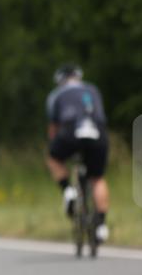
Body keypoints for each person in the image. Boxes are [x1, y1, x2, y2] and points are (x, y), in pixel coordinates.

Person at [45, 64, 110, 242]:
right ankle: (102, 226)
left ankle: (68, 191)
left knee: (53, 159)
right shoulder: (93, 90)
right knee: (97, 178)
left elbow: (53, 128)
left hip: (69, 132)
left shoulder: (56, 95)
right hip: (97, 132)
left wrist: (53, 144)